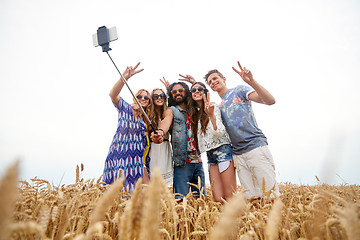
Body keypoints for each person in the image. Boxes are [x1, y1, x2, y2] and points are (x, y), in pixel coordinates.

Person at [204, 61, 281, 200]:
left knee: (271, 196)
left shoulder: (239, 91)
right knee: (253, 199)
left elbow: (270, 101)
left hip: (255, 147)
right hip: (238, 155)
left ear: (223, 79)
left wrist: (252, 82)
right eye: (210, 81)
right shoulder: (219, 107)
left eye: (215, 78)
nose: (213, 82)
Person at [151, 82, 206, 199]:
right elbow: (166, 121)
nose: (177, 93)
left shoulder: (195, 110)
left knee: (200, 200)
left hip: (198, 162)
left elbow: (201, 97)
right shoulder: (171, 110)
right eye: (174, 92)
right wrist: (160, 132)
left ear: (186, 91)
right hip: (182, 163)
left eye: (180, 90)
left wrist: (194, 83)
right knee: (181, 201)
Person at [184, 79, 237, 202]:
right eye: (193, 90)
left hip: (223, 151)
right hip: (210, 154)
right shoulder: (194, 113)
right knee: (218, 199)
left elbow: (219, 131)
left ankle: (236, 221)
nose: (196, 91)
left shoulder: (213, 106)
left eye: (200, 89)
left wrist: (211, 115)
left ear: (205, 92)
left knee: (230, 196)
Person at [102, 62, 152, 192]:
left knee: (147, 193)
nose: (143, 98)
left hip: (138, 159)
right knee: (119, 193)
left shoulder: (147, 119)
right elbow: (113, 95)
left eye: (146, 97)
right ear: (134, 98)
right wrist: (124, 78)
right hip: (120, 155)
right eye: (139, 96)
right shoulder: (126, 108)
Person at [147, 87, 173, 186]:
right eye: (156, 96)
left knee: (167, 183)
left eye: (162, 96)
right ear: (152, 99)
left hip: (165, 147)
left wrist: (169, 89)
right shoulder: (148, 114)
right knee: (153, 181)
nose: (159, 98)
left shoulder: (168, 112)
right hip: (152, 148)